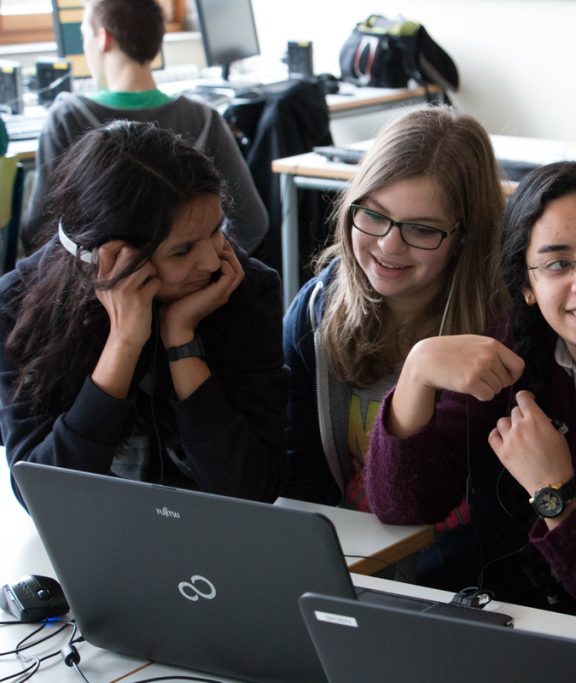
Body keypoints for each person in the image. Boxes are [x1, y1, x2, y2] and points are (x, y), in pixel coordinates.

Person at [366, 159, 576, 629]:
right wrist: (416, 372)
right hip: (511, 626)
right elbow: (402, 506)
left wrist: (558, 497)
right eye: (557, 264)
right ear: (527, 285)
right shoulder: (511, 351)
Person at [1, 121, 288, 507]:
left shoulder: (244, 289)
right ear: (109, 257)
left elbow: (252, 488)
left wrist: (180, 339)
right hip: (93, 538)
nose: (212, 260)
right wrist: (124, 342)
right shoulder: (16, 308)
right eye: (182, 250)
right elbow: (44, 498)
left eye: (216, 228)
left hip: (213, 540)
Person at [280, 106, 506, 534]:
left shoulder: (499, 329)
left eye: (421, 230)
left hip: (452, 573)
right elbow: (301, 477)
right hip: (344, 552)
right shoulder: (315, 311)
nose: (388, 246)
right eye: (374, 215)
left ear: (465, 237)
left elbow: (473, 517)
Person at [22, 0, 267, 255]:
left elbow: (39, 233)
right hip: (192, 287)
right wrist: (200, 267)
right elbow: (252, 222)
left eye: (85, 34)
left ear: (103, 38)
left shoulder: (67, 118)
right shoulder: (204, 118)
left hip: (100, 290)